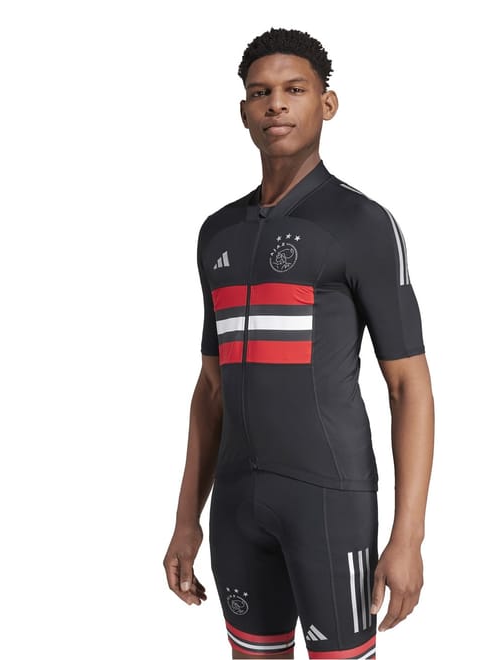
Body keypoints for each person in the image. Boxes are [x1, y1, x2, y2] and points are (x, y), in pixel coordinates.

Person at [163, 27, 435, 660]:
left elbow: (409, 387)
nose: (276, 104)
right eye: (261, 93)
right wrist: (185, 520)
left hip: (329, 502)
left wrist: (409, 537)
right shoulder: (217, 233)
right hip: (236, 505)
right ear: (244, 112)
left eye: (294, 89)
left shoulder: (362, 224)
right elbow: (212, 388)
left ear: (327, 104)